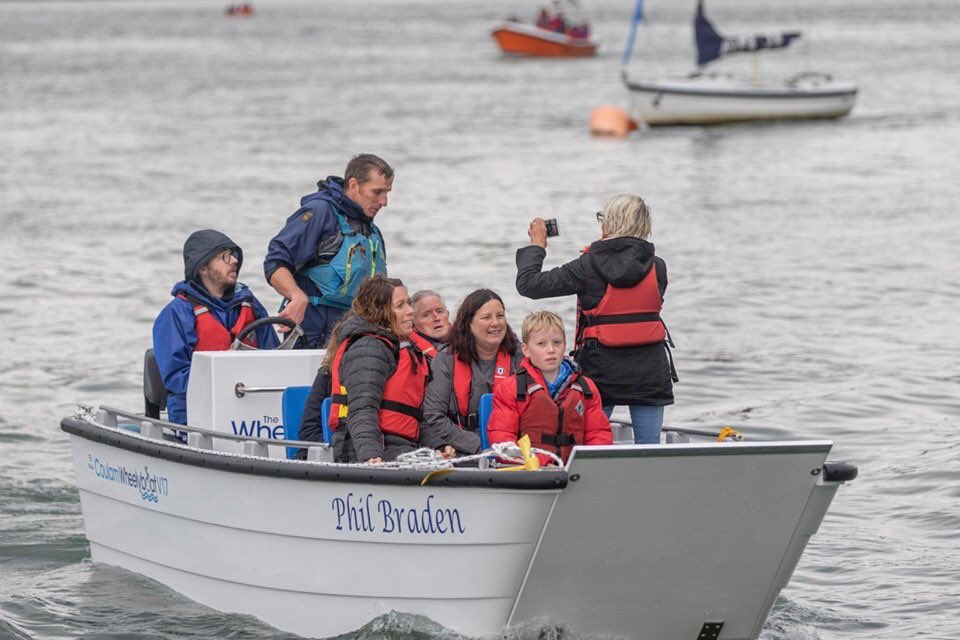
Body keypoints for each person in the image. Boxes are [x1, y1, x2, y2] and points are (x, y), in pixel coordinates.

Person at [515, 193, 676, 444]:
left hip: (601, 369)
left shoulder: (587, 265)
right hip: (650, 371)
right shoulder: (658, 267)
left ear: (609, 224)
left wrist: (537, 245)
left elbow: (529, 285)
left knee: (592, 444)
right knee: (649, 448)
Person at [263, 154, 393, 349]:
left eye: (387, 192)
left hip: (353, 328)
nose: (384, 201)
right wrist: (297, 296)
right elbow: (275, 261)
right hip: (312, 327)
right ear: (354, 185)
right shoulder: (320, 213)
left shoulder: (372, 231)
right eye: (377, 192)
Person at [153, 229, 279, 425]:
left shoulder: (250, 306)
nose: (234, 261)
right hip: (196, 416)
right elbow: (175, 377)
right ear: (203, 268)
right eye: (224, 257)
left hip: (252, 413)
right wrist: (222, 372)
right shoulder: (176, 313)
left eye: (234, 255)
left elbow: (274, 358)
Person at [324, 275, 430, 463]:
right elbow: (362, 409)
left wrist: (439, 445)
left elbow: (421, 415)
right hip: (365, 451)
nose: (410, 311)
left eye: (409, 303)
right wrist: (371, 455)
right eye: (400, 306)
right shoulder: (368, 349)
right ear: (380, 311)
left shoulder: (400, 347)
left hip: (402, 447)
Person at [487, 311, 612, 465]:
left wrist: (588, 464)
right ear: (525, 349)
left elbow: (598, 433)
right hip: (530, 471)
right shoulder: (509, 389)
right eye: (541, 344)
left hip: (574, 470)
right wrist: (541, 463)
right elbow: (503, 438)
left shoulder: (586, 387)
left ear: (565, 345)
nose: (551, 349)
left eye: (557, 342)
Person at [420, 289, 523, 457]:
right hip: (463, 448)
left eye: (500, 316)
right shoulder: (446, 358)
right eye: (486, 317)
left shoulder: (520, 357)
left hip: (511, 447)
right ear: (468, 323)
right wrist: (478, 446)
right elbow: (433, 415)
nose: (495, 323)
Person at [408, 289, 452, 358]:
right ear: (414, 324)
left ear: (448, 314)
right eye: (426, 315)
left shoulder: (469, 341)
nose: (437, 318)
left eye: (439, 311)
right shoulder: (410, 355)